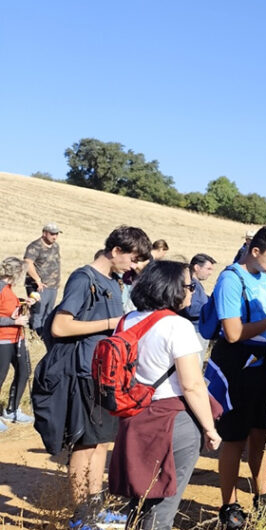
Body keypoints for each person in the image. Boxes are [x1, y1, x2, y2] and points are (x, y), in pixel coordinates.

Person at [34, 225, 150, 528]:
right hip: (83, 374)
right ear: (116, 250)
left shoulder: (112, 281)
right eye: (132, 259)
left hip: (105, 376)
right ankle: (80, 517)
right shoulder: (83, 278)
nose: (133, 266)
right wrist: (111, 322)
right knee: (84, 446)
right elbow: (60, 326)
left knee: (101, 444)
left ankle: (96, 509)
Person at [108, 260, 222, 529]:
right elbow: (192, 385)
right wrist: (210, 428)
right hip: (172, 420)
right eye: (189, 286)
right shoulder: (177, 326)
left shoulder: (126, 321)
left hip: (133, 418)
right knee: (162, 507)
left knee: (138, 500)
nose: (193, 291)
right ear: (171, 288)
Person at [207, 226, 266, 528]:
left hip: (263, 361)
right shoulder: (231, 279)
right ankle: (229, 506)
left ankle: (263, 497)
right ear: (255, 251)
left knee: (262, 433)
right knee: (234, 438)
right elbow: (232, 333)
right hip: (236, 365)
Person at [0, 257, 35, 428]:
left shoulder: (8, 288)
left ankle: (12, 409)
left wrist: (23, 303)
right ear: (16, 273)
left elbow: (6, 308)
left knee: (24, 370)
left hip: (16, 338)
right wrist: (14, 321)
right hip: (3, 340)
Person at [23, 222, 62, 339]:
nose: (55, 236)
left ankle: (44, 336)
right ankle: (35, 336)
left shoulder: (56, 246)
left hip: (53, 286)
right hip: (39, 286)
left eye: (56, 234)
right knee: (38, 311)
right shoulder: (35, 247)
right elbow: (28, 263)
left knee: (48, 312)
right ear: (44, 233)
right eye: (52, 234)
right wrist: (37, 280)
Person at [186, 254, 216, 323]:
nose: (210, 273)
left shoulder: (195, 284)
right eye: (208, 269)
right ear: (196, 267)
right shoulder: (192, 285)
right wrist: (213, 307)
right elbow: (192, 310)